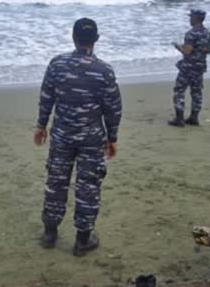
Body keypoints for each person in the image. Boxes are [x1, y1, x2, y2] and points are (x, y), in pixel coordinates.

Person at [34, 18, 122, 256]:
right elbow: (113, 107)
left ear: (73, 37)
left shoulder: (57, 64)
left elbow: (46, 97)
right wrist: (112, 138)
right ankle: (82, 240)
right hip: (91, 139)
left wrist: (41, 125)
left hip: (62, 135)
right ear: (96, 40)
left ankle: (50, 234)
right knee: (88, 186)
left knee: (56, 182)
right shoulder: (104, 71)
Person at [168, 9, 210, 127]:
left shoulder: (191, 33)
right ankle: (194, 117)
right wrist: (198, 50)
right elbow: (208, 50)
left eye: (191, 17)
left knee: (179, 91)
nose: (190, 19)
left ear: (195, 18)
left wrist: (178, 46)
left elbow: (186, 52)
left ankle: (179, 119)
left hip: (188, 67)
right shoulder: (208, 33)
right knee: (196, 92)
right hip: (200, 67)